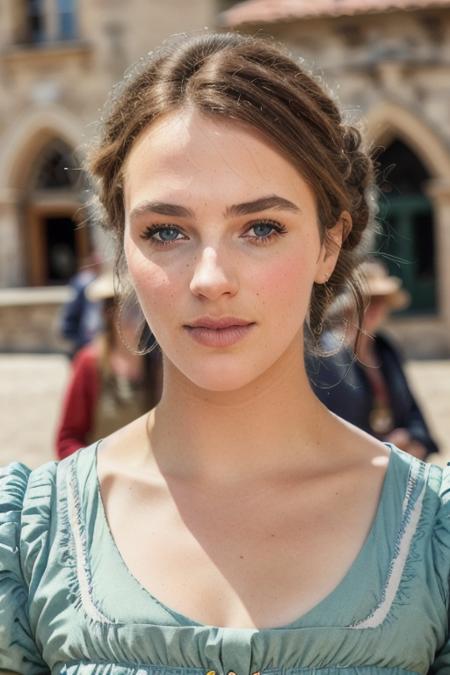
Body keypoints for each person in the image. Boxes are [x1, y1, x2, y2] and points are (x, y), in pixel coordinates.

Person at [0, 32, 448, 675]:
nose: (210, 278)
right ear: (123, 247)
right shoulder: (25, 542)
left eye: (260, 228)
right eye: (167, 231)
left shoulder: (436, 537)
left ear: (329, 244)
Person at [307, 260, 440, 460]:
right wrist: (381, 448)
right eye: (367, 300)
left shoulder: (386, 350)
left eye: (381, 301)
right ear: (350, 305)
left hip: (395, 468)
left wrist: (412, 438)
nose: (374, 309)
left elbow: (414, 413)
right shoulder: (326, 356)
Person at [55, 271, 163, 459]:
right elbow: (67, 439)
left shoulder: (158, 363)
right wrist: (97, 472)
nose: (139, 316)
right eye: (131, 307)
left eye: (142, 306)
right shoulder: (89, 362)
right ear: (109, 312)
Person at [59, 252, 103, 357]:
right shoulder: (86, 282)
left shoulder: (82, 280)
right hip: (84, 334)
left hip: (81, 333)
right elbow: (76, 309)